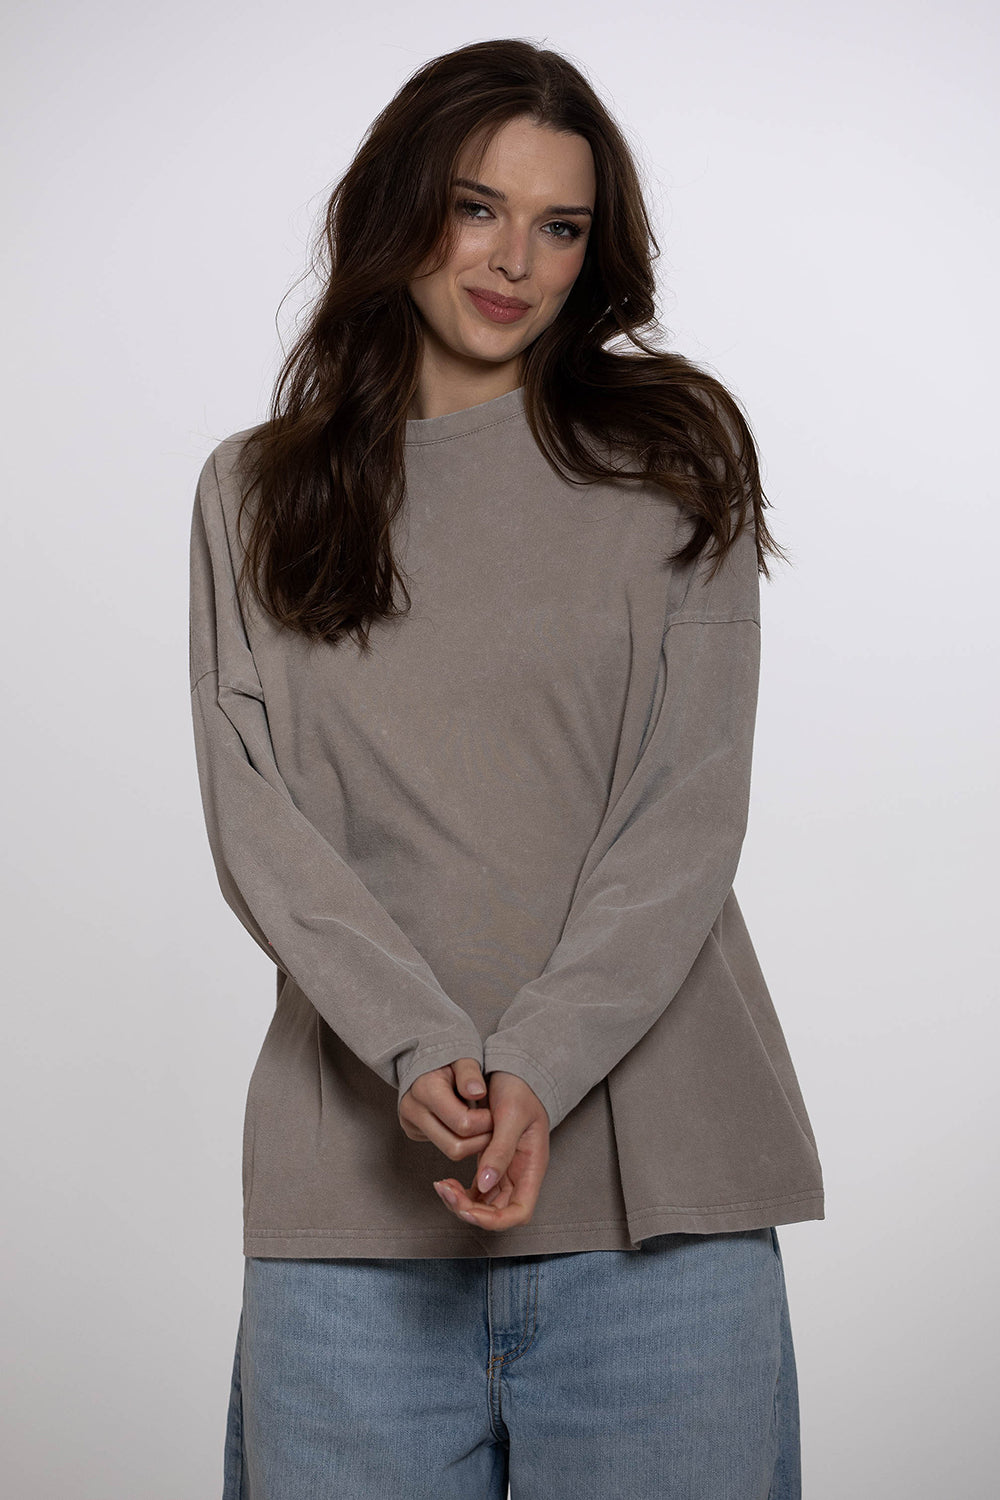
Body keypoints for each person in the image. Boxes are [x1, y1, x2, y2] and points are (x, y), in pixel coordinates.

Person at [188, 37, 825, 1500]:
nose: (514, 262)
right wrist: (421, 1048)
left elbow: (686, 812)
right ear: (399, 206)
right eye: (477, 207)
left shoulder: (676, 460)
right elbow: (255, 818)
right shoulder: (257, 493)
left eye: (561, 225)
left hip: (660, 1215)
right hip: (353, 1220)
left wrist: (533, 1062)